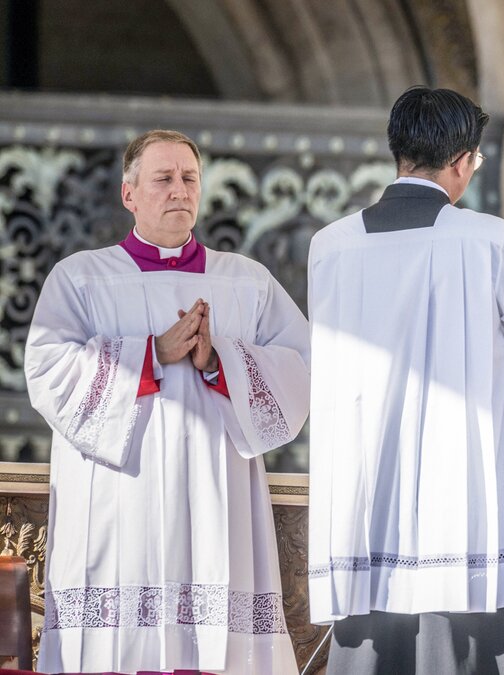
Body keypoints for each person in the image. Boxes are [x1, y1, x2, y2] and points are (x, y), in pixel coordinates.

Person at [306, 86, 504, 675]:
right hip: (467, 506)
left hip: (368, 498)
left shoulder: (331, 246)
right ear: (462, 161)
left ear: (399, 152)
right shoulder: (489, 241)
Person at [25, 130, 310, 674]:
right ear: (129, 194)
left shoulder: (247, 282)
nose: (179, 189)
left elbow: (300, 368)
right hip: (119, 499)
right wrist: (151, 354)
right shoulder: (81, 277)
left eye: (189, 178)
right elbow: (47, 369)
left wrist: (220, 360)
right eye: (163, 179)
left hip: (215, 496)